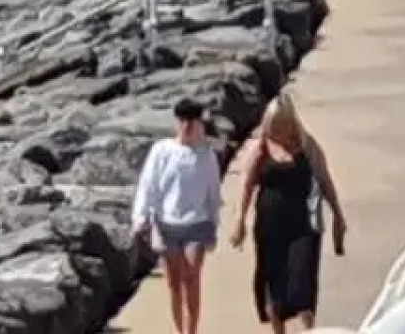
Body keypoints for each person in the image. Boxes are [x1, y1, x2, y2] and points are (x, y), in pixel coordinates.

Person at [232, 95, 347, 334]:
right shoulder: (261, 149)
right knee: (275, 286)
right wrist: (240, 222)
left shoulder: (306, 146)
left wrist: (337, 214)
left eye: (280, 127)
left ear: (290, 123)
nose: (276, 133)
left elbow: (324, 180)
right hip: (270, 226)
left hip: (305, 224)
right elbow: (246, 185)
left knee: (302, 283)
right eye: (272, 127)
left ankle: (308, 328)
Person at [131, 98, 221, 334]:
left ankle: (191, 330)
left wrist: (213, 224)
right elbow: (148, 185)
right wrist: (140, 218)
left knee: (191, 279)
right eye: (182, 120)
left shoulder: (206, 155)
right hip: (166, 223)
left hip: (197, 224)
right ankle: (179, 329)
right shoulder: (162, 150)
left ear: (199, 123)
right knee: (173, 283)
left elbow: (213, 191)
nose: (187, 126)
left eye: (192, 121)